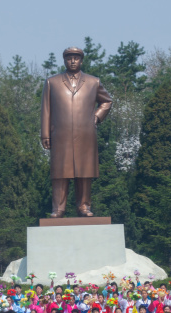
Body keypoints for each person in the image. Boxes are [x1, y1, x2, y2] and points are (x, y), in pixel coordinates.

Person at [41, 46, 112, 218]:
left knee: (84, 172)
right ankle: (58, 208)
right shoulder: (53, 82)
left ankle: (84, 206)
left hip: (85, 134)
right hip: (60, 134)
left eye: (76, 58)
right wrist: (45, 133)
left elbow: (107, 101)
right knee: (60, 173)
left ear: (81, 60)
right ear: (64, 60)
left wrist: (96, 117)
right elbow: (46, 110)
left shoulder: (93, 82)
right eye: (69, 58)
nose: (73, 61)